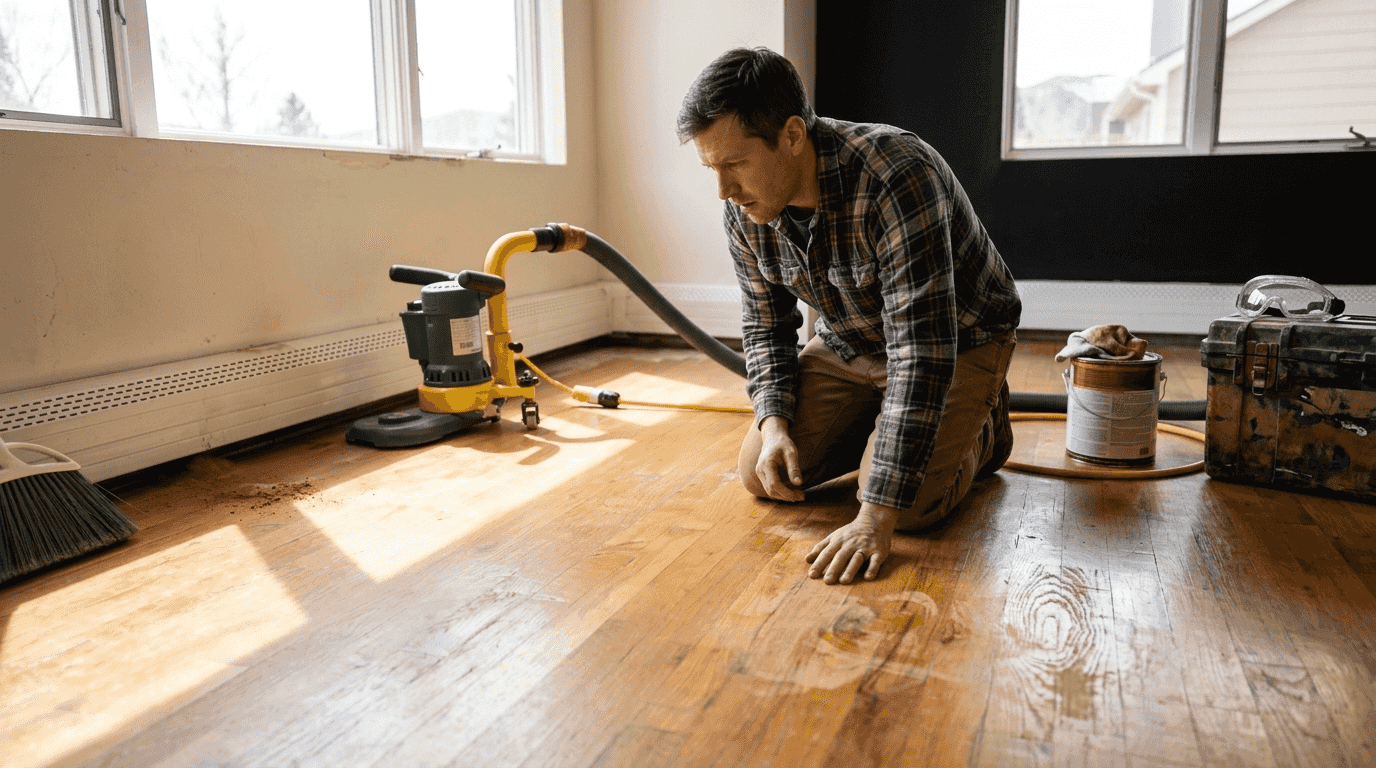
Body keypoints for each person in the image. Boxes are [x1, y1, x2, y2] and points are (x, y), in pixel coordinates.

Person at [677, 47, 1022, 585]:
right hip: (851, 340)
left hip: (959, 340)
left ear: (793, 136)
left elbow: (922, 352)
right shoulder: (745, 207)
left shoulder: (897, 175)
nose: (723, 190)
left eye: (734, 165)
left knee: (906, 508)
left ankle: (986, 425)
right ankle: (882, 428)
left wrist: (874, 516)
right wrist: (774, 427)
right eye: (711, 168)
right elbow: (766, 325)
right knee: (761, 473)